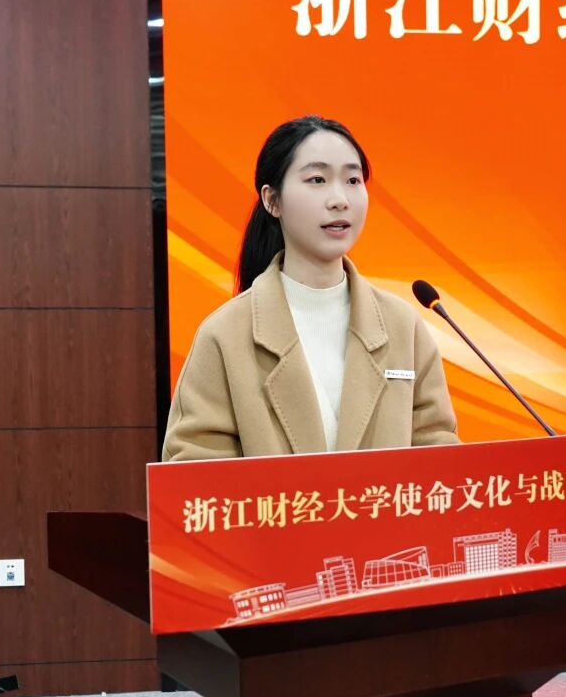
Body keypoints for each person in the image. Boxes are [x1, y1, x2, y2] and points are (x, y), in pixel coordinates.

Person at [162, 115, 460, 461]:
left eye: (352, 180)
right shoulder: (225, 334)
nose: (340, 199)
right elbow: (194, 469)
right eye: (317, 180)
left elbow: (441, 457)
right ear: (272, 201)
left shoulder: (403, 326)